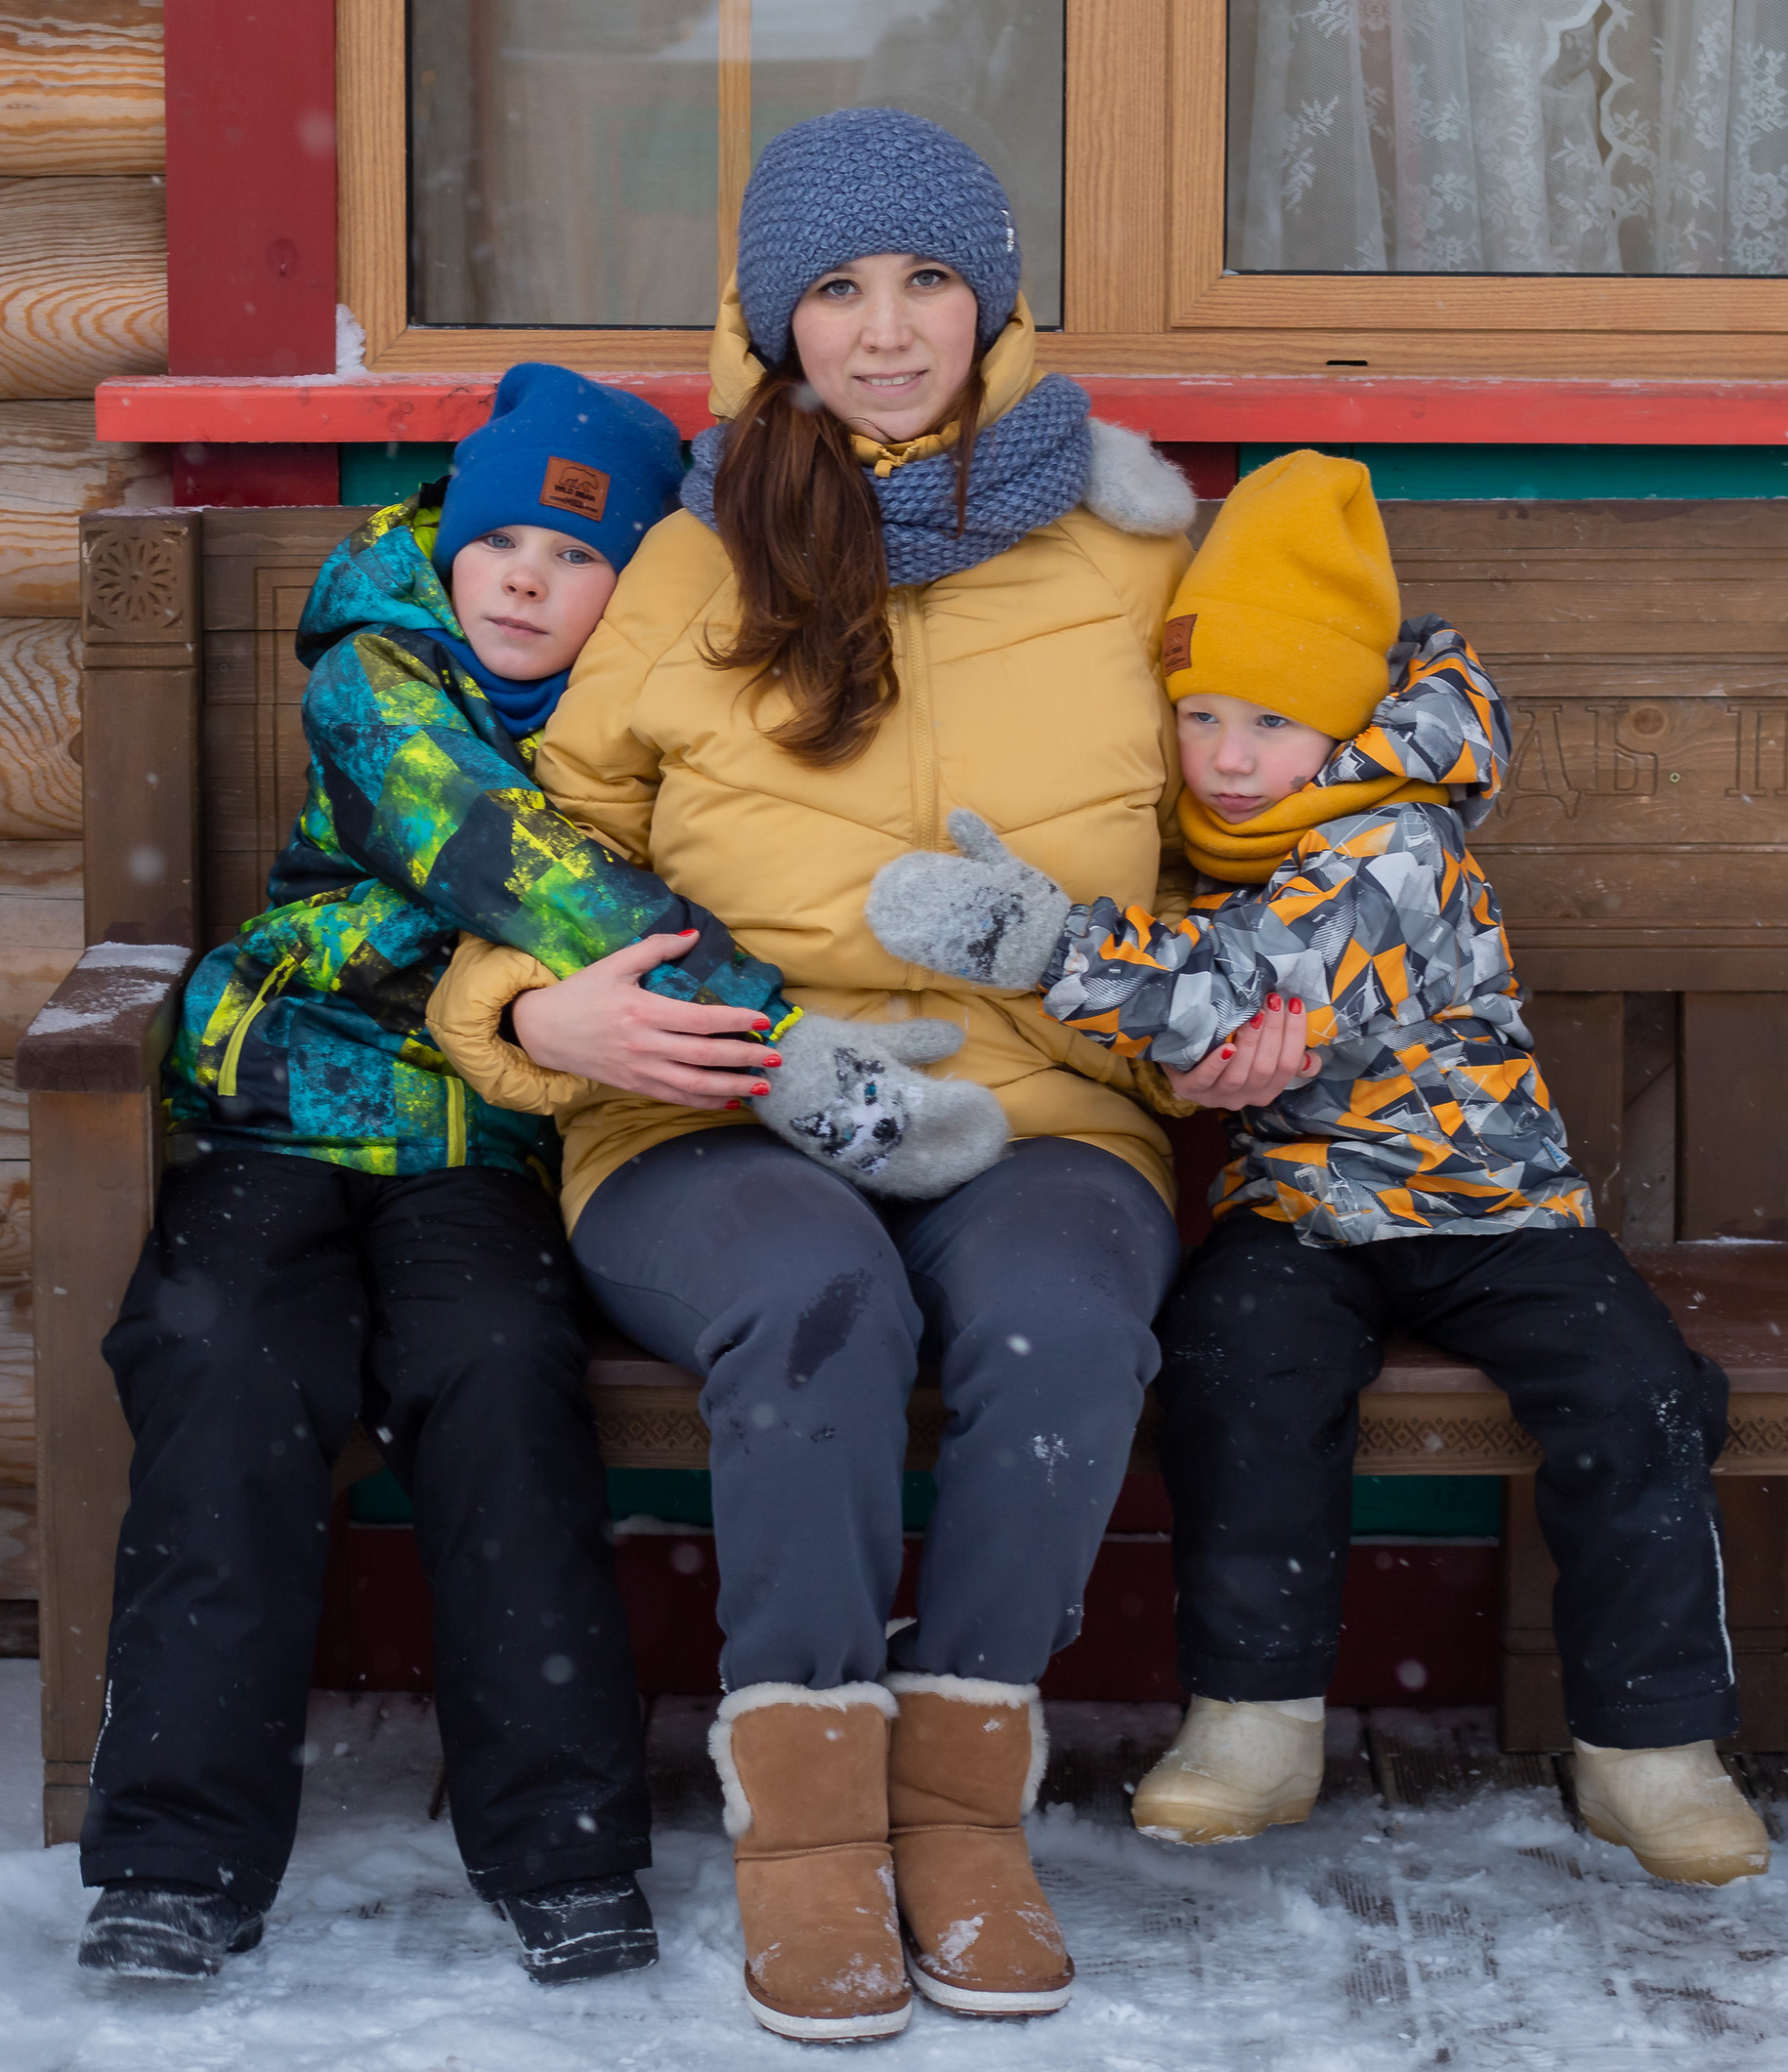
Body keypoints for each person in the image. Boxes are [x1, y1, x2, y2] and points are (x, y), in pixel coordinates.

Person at [428, 106, 1297, 2043]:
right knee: (810, 1298)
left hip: (1042, 1096)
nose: (884, 329)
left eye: (924, 281)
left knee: (1064, 1322)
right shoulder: (683, 560)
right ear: (773, 322)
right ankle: (809, 1840)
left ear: (993, 303)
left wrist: (1246, 1011)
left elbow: (1247, 837)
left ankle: (960, 1816)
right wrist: (535, 1019)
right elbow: (538, 855)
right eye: (834, 289)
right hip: (714, 1091)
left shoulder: (1124, 552)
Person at [868, 447, 1770, 1889]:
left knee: (1638, 1396)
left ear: (1346, 720)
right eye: (1200, 718)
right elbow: (1202, 1005)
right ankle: (1255, 1719)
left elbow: (1239, 982)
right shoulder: (1224, 836)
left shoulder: (1399, 841)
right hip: (1299, 1207)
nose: (1229, 758)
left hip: (1487, 1205)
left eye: (1271, 722)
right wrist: (1160, 1028)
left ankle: (1653, 1745)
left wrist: (1049, 946)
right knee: (1237, 1371)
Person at [77, 365, 784, 1990]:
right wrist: (777, 1032)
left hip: (486, 1142)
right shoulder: (376, 665)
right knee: (219, 1364)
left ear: (634, 586)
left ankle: (565, 1845)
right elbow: (495, 859)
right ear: (449, 544)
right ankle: (176, 1856)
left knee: (501, 1377)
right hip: (286, 1116)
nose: (527, 581)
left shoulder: (647, 717)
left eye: (579, 557)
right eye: (504, 541)